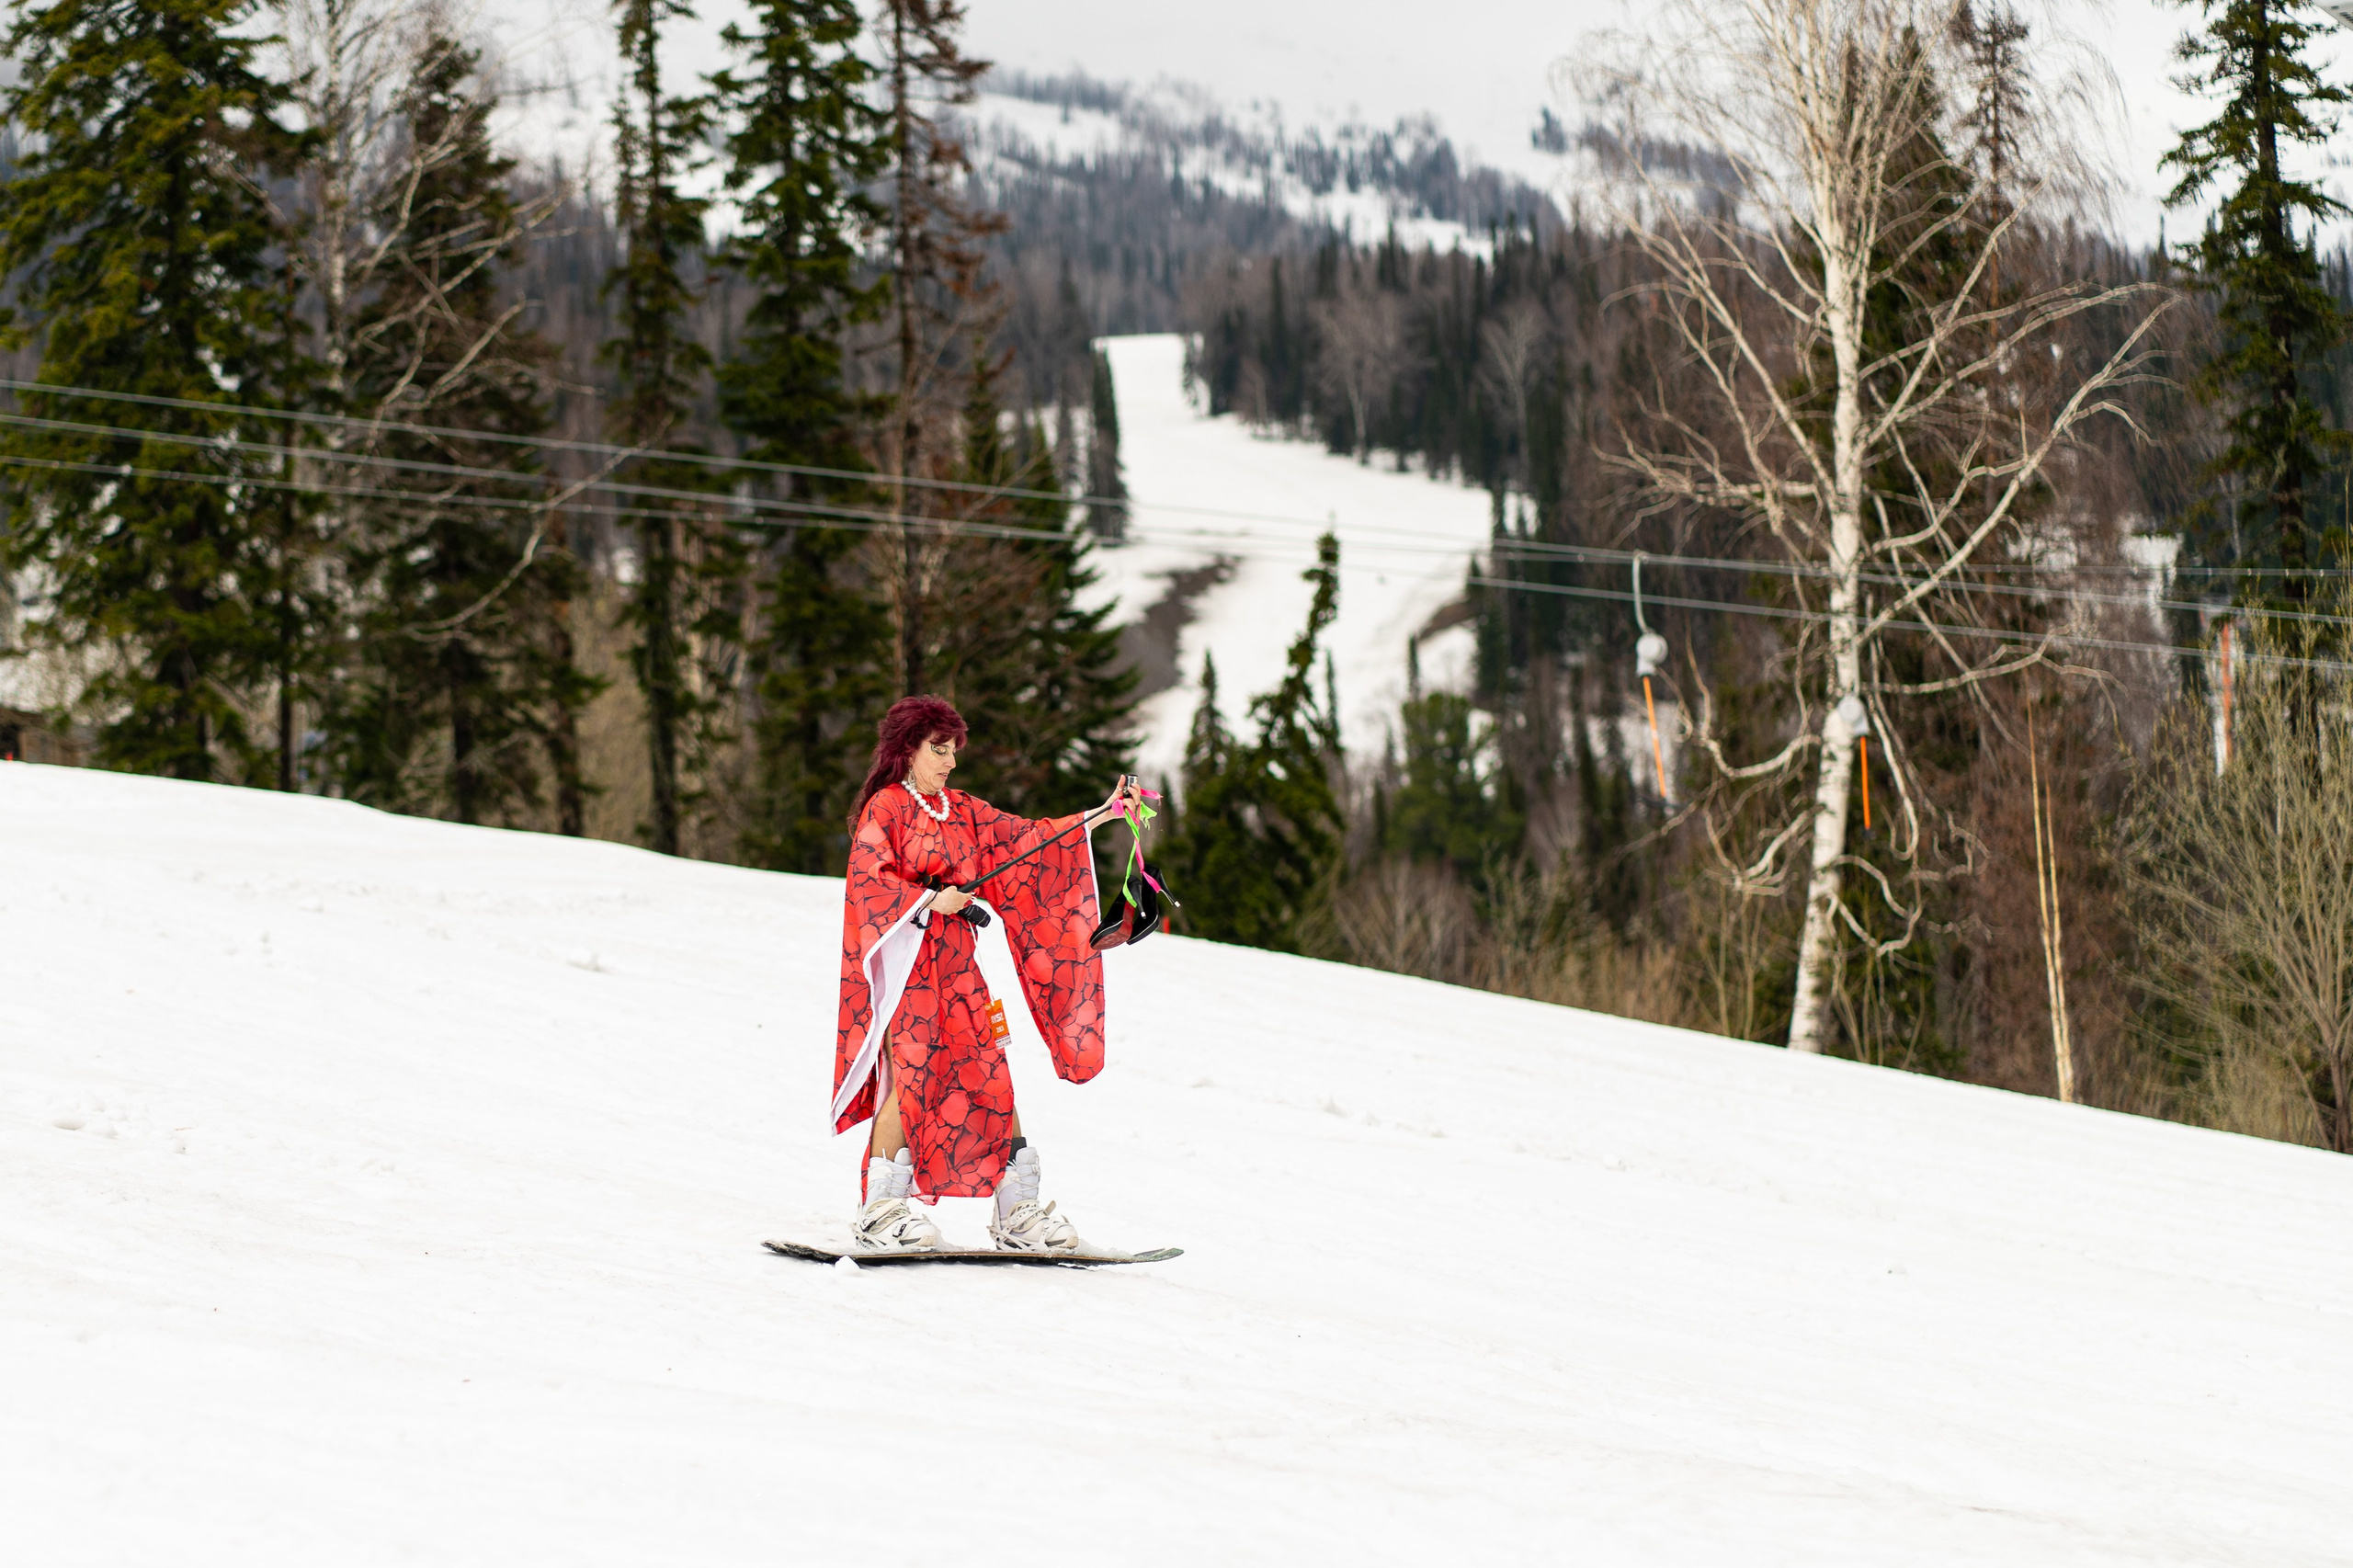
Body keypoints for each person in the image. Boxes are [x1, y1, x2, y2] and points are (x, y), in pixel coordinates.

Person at [831, 694, 1142, 1253]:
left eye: (954, 750)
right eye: (939, 749)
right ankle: (880, 1210)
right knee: (912, 1075)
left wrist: (1102, 815)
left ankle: (1017, 1211)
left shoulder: (963, 809)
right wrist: (929, 900)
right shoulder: (887, 807)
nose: (950, 761)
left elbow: (1030, 841)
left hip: (959, 965)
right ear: (908, 748)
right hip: (908, 966)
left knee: (989, 1068)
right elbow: (869, 882)